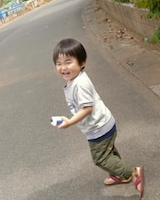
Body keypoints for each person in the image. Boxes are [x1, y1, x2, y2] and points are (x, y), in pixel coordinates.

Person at [52, 38, 144, 198]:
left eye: (68, 62)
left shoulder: (79, 85)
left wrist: (70, 122)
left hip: (98, 128)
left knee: (100, 158)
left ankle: (133, 172)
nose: (63, 67)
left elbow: (87, 108)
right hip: (103, 124)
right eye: (59, 63)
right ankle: (120, 174)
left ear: (82, 63)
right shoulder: (74, 80)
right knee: (109, 151)